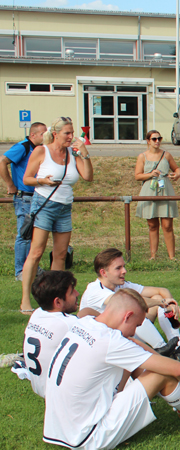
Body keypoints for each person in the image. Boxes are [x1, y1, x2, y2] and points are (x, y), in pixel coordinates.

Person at [43, 289, 180, 450]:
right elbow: (178, 369)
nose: (134, 331)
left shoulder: (84, 323)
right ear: (126, 316)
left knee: (136, 356)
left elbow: (127, 344)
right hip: (88, 436)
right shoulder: (111, 341)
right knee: (162, 373)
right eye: (136, 325)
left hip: (59, 428)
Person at [19, 117, 93, 314]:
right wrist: (42, 180)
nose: (71, 137)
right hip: (44, 204)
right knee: (36, 252)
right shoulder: (41, 151)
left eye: (72, 133)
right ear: (55, 134)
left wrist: (85, 155)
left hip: (64, 207)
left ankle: (54, 298)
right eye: (67, 133)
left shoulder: (72, 153)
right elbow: (27, 178)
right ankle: (25, 299)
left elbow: (88, 177)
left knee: (60, 255)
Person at [81, 248, 180, 362]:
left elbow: (160, 290)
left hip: (120, 334)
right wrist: (163, 303)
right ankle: (162, 349)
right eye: (118, 268)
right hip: (102, 343)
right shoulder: (94, 291)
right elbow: (131, 303)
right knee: (132, 311)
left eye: (124, 266)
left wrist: (169, 300)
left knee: (157, 298)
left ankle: (178, 345)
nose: (124, 271)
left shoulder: (121, 284)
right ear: (103, 272)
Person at [21, 271, 96, 398]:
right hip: (60, 394)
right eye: (72, 292)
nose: (78, 293)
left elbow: (83, 314)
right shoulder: (68, 324)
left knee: (85, 312)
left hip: (40, 387)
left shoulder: (37, 313)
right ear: (58, 302)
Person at [0, 122, 47, 280]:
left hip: (37, 195)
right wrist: (10, 184)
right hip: (24, 197)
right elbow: (2, 161)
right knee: (24, 234)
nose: (45, 136)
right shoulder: (23, 146)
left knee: (35, 234)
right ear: (33, 135)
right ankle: (20, 271)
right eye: (42, 133)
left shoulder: (39, 149)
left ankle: (32, 267)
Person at [134, 130, 180, 261]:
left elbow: (176, 169)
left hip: (165, 189)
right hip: (149, 189)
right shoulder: (142, 156)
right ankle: (153, 255)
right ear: (148, 141)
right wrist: (150, 174)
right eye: (154, 139)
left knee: (167, 225)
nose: (157, 141)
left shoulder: (166, 155)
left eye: (159, 139)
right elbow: (137, 176)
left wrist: (177, 174)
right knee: (152, 225)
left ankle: (172, 256)